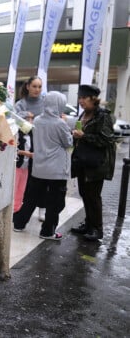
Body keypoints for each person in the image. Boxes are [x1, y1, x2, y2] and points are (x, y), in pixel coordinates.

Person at [13, 91, 73, 240]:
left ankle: (19, 223)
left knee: (31, 198)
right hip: (56, 170)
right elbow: (68, 143)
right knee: (55, 202)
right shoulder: (60, 123)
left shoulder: (38, 120)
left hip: (39, 167)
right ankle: (47, 231)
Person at [70, 84, 116, 241]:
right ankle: (88, 224)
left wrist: (84, 136)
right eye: (80, 97)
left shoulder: (102, 115)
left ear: (93, 99)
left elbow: (107, 140)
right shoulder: (85, 113)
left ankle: (97, 229)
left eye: (84, 98)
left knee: (93, 196)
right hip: (83, 160)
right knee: (84, 193)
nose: (80, 100)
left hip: (97, 163)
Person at [14, 76, 47, 221]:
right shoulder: (21, 104)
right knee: (25, 180)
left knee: (41, 179)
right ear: (27, 86)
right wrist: (26, 115)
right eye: (34, 86)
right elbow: (13, 118)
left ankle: (42, 208)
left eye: (39, 86)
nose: (37, 89)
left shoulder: (45, 103)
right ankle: (20, 209)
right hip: (26, 144)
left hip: (42, 144)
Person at [13, 112, 34, 212]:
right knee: (14, 188)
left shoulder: (31, 134)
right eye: (27, 119)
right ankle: (12, 210)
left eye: (31, 119)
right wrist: (26, 153)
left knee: (21, 189)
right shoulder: (15, 133)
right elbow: (12, 149)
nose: (30, 121)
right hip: (17, 165)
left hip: (25, 167)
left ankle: (17, 209)